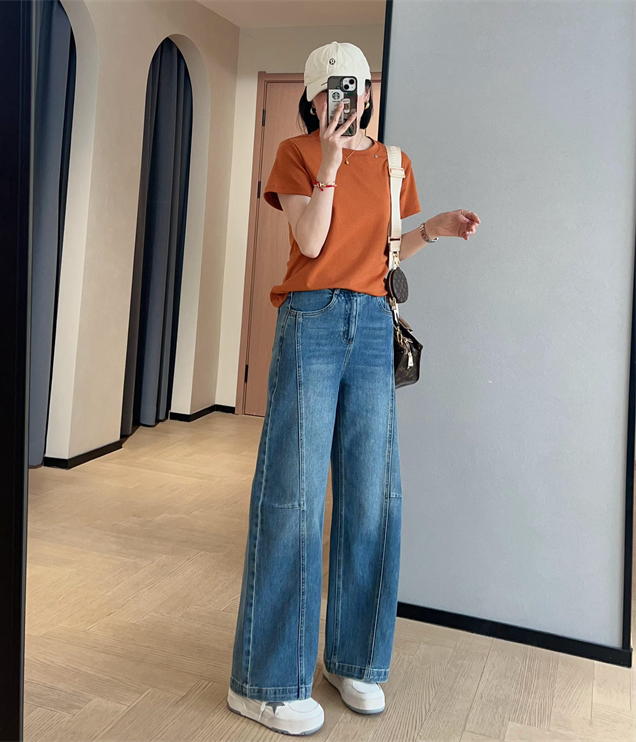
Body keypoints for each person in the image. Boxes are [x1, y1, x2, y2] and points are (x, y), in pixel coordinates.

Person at [226, 41, 480, 736]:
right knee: (294, 495)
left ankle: (354, 658)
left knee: (372, 495)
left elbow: (385, 253)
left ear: (370, 93)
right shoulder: (296, 153)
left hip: (371, 323)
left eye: (356, 87)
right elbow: (312, 244)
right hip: (310, 321)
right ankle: (264, 680)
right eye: (331, 89)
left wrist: (432, 230)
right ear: (313, 98)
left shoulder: (396, 163)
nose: (345, 98)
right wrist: (332, 164)